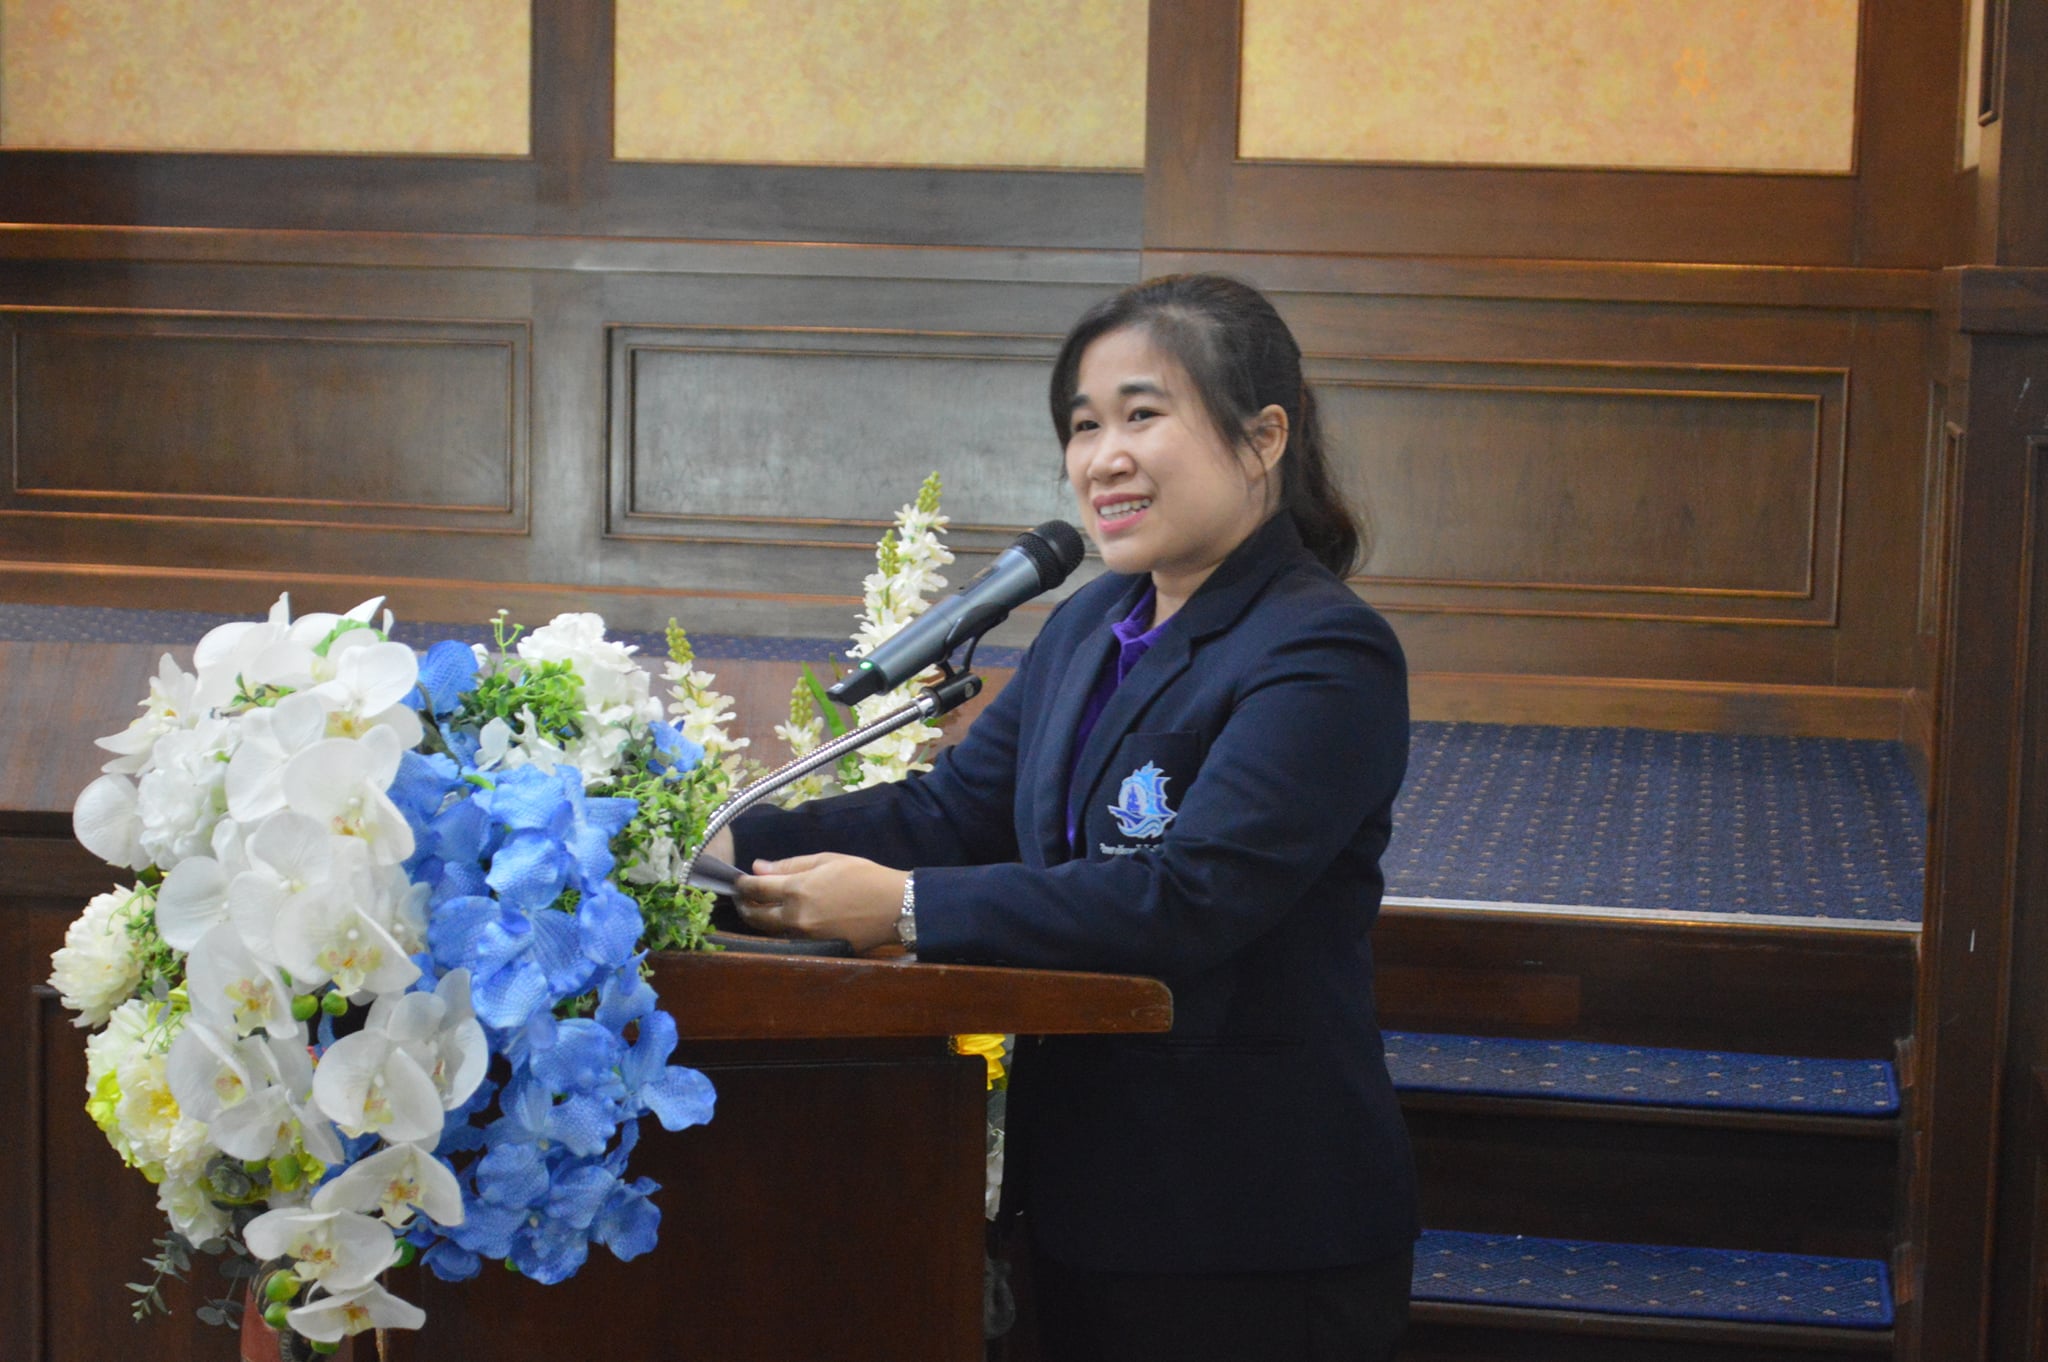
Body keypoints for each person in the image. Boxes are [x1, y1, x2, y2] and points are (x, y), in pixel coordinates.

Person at [710, 274, 1416, 1361]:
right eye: (1082, 426)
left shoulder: (1320, 652)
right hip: (1090, 1197)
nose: (1102, 458)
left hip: (1251, 1223)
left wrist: (901, 910)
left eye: (1141, 415)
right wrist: (707, 847)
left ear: (1262, 435)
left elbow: (1188, 900)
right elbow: (952, 812)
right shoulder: (1093, 621)